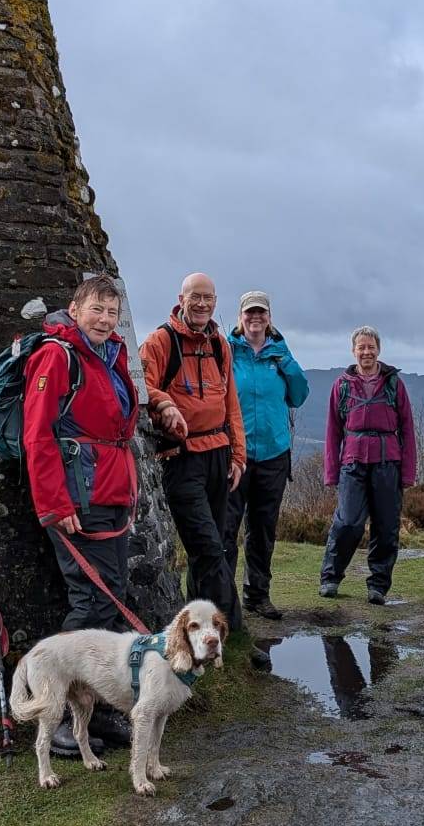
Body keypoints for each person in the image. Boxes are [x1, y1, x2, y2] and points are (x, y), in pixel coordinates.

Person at [22, 276, 141, 757]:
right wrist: (54, 503)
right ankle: (62, 720)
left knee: (110, 603)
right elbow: (37, 434)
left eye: (112, 312)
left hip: (110, 494)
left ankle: (99, 712)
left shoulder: (112, 356)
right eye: (96, 309)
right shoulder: (57, 355)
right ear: (75, 309)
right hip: (77, 498)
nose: (105, 319)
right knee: (89, 602)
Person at [139, 273, 246, 632]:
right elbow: (141, 386)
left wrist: (238, 456)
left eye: (209, 298)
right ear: (181, 299)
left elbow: (231, 402)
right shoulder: (160, 341)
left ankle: (199, 634)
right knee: (210, 549)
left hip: (218, 454)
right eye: (195, 297)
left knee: (211, 553)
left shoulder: (219, 343)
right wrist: (165, 404)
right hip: (181, 459)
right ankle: (231, 632)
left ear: (216, 302)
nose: (202, 304)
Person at [224, 290, 311, 620]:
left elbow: (299, 396)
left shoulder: (280, 352)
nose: (255, 318)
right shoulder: (228, 351)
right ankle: (224, 602)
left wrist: (286, 363)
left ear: (269, 317)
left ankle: (257, 596)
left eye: (261, 312)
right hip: (236, 455)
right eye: (249, 312)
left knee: (262, 530)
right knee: (227, 530)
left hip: (274, 454)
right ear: (241, 317)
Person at [319, 325, 416, 605]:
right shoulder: (343, 385)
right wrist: (331, 472)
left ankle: (378, 586)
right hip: (353, 462)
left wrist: (408, 473)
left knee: (386, 527)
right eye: (361, 347)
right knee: (348, 522)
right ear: (353, 351)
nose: (366, 352)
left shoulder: (394, 384)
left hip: (388, 463)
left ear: (379, 350)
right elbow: (332, 431)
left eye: (370, 347)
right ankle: (330, 578)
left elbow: (407, 429)